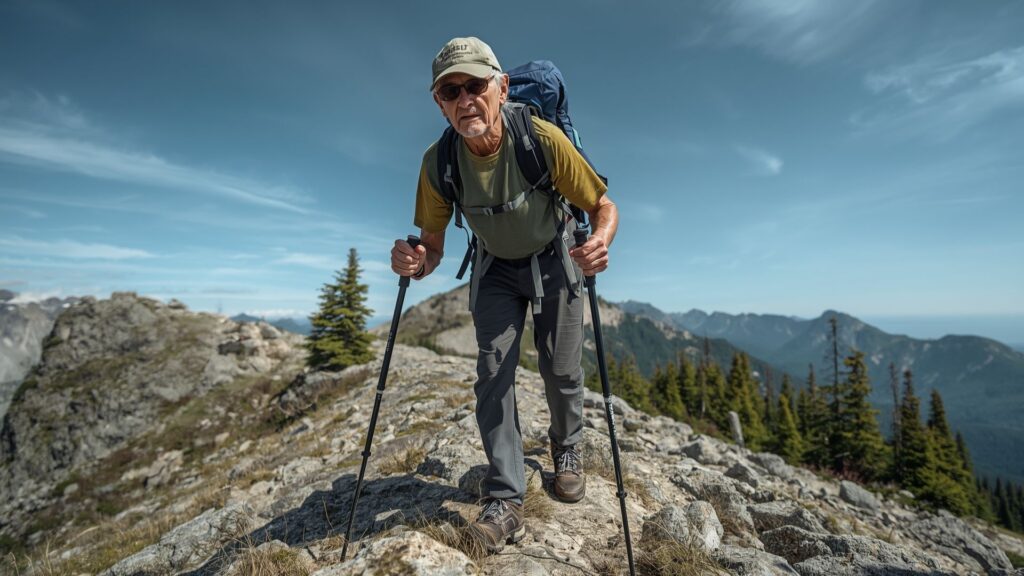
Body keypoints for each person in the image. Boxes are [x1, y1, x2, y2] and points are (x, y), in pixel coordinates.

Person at [390, 36, 619, 552]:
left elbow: (603, 206)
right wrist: (415, 262)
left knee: (560, 368)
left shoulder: (540, 139)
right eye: (451, 91)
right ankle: (506, 499)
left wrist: (600, 242)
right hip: (495, 267)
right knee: (493, 375)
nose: (465, 99)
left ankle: (567, 447)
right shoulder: (439, 162)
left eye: (475, 85)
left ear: (502, 88)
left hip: (555, 257)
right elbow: (431, 249)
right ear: (439, 103)